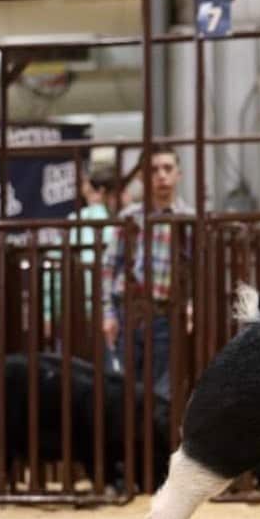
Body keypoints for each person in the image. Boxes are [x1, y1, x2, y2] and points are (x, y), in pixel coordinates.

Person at [101, 144, 192, 398]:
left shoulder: (189, 219)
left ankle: (153, 438)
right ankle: (129, 439)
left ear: (178, 175)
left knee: (163, 394)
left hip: (168, 314)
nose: (161, 175)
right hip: (128, 311)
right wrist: (107, 312)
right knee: (122, 392)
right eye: (153, 170)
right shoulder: (130, 217)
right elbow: (109, 266)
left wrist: (192, 305)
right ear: (142, 177)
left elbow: (198, 269)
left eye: (167, 168)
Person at [42, 165, 119, 335]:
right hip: (110, 313)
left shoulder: (74, 222)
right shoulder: (117, 225)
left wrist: (47, 313)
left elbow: (51, 272)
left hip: (73, 309)